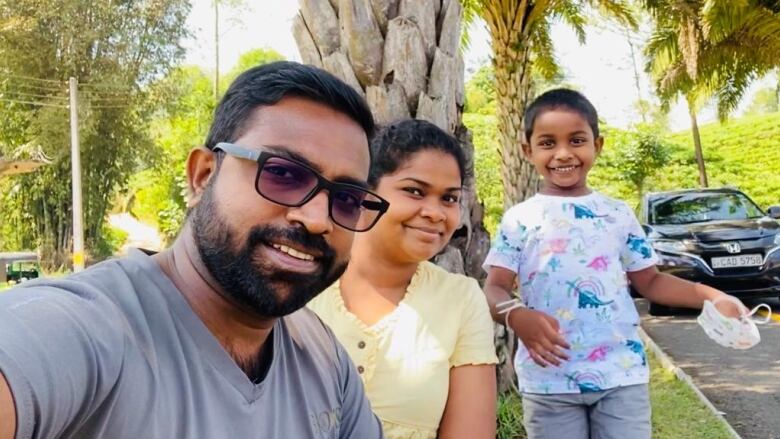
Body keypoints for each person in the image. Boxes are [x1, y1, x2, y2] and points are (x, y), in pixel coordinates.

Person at [0, 61, 389, 439]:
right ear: (203, 175)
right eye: (283, 173)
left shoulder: (322, 358)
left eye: (348, 199)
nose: (319, 219)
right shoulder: (89, 329)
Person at [482, 88, 745, 439]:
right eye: (547, 143)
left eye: (577, 140)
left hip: (621, 376)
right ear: (527, 150)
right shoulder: (519, 219)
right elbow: (494, 287)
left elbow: (650, 282)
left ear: (597, 145)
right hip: (549, 381)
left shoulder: (618, 214)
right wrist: (517, 315)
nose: (563, 153)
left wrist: (713, 296)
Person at [308, 119, 498, 439]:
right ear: (365, 193)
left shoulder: (460, 299)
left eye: (449, 198)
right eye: (414, 191)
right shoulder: (303, 278)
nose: (435, 213)